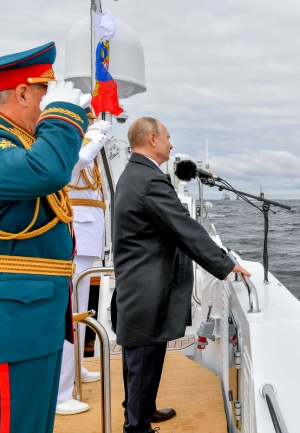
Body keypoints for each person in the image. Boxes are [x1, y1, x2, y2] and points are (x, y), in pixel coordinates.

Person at [113, 117, 250, 433]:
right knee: (142, 357)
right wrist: (224, 264)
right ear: (152, 139)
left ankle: (143, 410)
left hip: (138, 280)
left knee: (145, 354)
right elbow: (184, 228)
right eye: (167, 138)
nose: (171, 144)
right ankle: (136, 427)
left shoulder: (133, 173)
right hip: (146, 284)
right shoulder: (149, 180)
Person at [0, 42, 89, 433]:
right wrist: (63, 115)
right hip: (13, 322)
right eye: (45, 94)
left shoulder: (21, 144)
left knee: (34, 422)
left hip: (36, 316)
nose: (48, 105)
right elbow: (47, 171)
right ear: (22, 94)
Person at [55, 116, 113, 415]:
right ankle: (61, 393)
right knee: (71, 317)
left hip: (88, 239)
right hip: (77, 236)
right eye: (86, 121)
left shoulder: (85, 150)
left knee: (79, 315)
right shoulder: (71, 147)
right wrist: (96, 135)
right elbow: (75, 163)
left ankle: (76, 370)